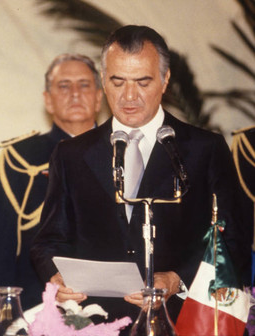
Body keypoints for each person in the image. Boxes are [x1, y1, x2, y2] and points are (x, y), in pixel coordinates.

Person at [30, 25, 251, 332]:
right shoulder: (71, 154)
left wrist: (176, 279)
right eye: (117, 82)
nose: (129, 96)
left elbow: (233, 241)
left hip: (180, 322)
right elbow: (47, 241)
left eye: (142, 82)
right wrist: (56, 276)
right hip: (96, 323)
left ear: (165, 80)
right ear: (104, 81)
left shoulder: (204, 149)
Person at [0, 54, 103, 313]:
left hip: (112, 309)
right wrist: (1, 317)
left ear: (99, 98)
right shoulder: (21, 158)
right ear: (48, 100)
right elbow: (0, 248)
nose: (74, 94)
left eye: (84, 85)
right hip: (38, 309)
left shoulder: (123, 153)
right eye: (63, 85)